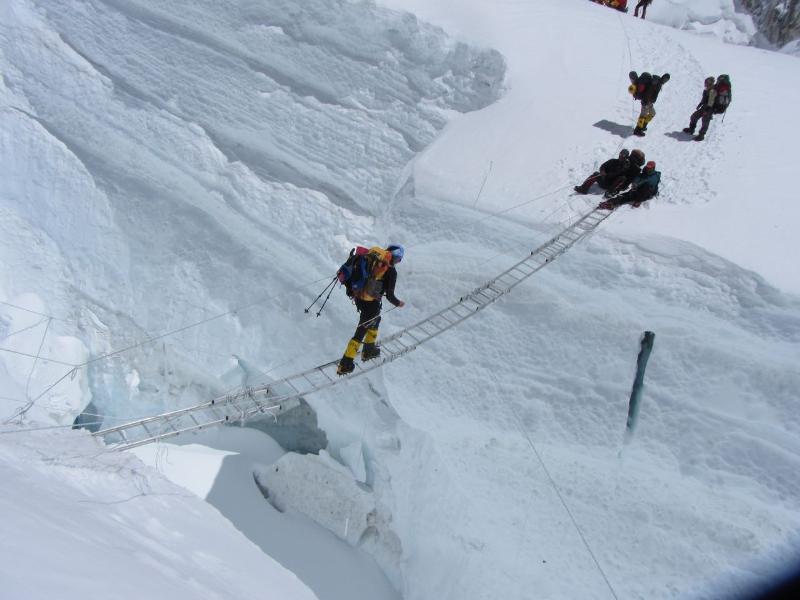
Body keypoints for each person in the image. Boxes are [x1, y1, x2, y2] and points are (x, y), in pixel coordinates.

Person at [337, 245, 405, 376]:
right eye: (399, 260)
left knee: (376, 319)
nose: (397, 263)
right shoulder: (391, 271)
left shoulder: (371, 258)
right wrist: (398, 303)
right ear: (396, 258)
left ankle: (369, 349)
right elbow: (390, 296)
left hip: (359, 297)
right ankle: (345, 364)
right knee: (361, 330)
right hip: (371, 304)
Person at [574, 149, 645, 196]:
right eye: (620, 154)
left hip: (612, 185)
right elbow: (603, 165)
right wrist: (602, 171)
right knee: (596, 174)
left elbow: (618, 173)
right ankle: (583, 189)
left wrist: (606, 175)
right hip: (605, 181)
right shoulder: (613, 161)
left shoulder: (625, 167)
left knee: (622, 177)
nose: (621, 156)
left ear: (626, 157)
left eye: (623, 155)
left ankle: (611, 192)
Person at [629, 71, 670, 136]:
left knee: (652, 113)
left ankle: (643, 125)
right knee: (643, 116)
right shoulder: (656, 83)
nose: (665, 81)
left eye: (666, 80)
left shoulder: (658, 82)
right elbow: (649, 91)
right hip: (646, 101)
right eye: (665, 79)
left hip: (649, 101)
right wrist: (645, 102)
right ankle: (638, 129)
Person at [683, 77, 716, 142]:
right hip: (704, 107)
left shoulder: (713, 91)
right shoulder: (707, 90)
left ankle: (701, 135)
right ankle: (691, 129)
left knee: (705, 122)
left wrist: (706, 111)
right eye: (705, 82)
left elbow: (711, 102)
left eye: (706, 83)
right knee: (694, 116)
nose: (705, 84)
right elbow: (704, 99)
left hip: (709, 109)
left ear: (710, 83)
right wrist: (700, 104)